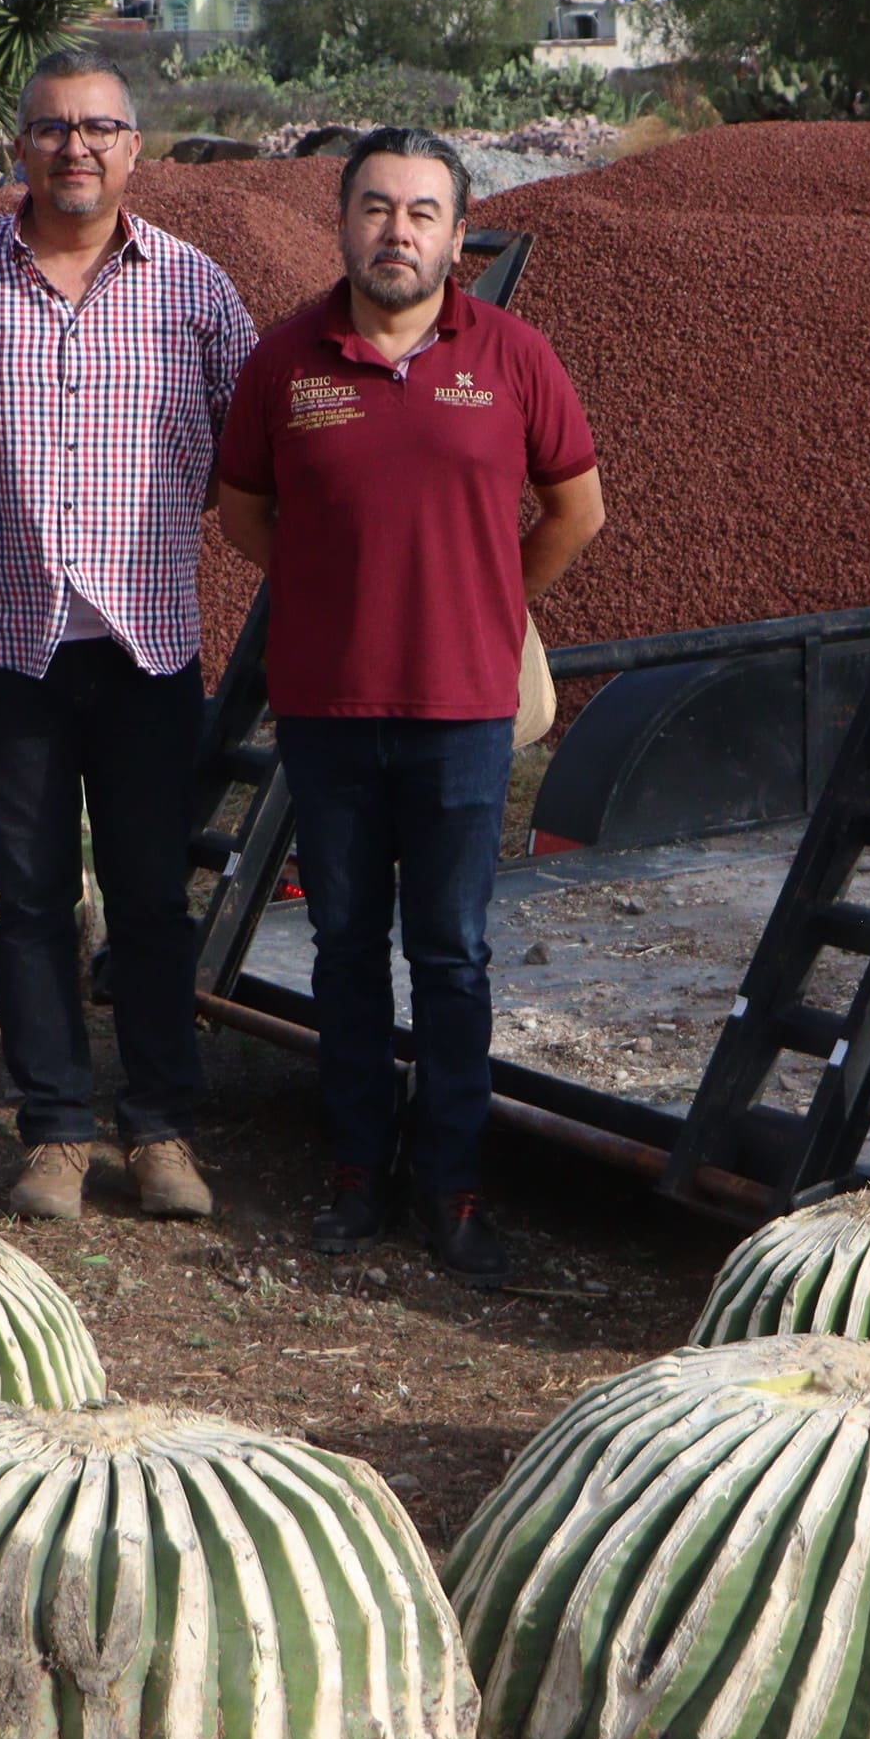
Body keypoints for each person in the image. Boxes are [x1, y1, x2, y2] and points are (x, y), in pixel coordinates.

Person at [211, 127, 605, 1286]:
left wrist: (490, 600)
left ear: (456, 232)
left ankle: (454, 1184)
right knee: (340, 949)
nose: (398, 230)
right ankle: (354, 1171)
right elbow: (245, 518)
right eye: (376, 207)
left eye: (422, 212)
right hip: (328, 709)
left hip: (463, 713)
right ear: (343, 223)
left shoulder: (514, 356)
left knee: (453, 953)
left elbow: (574, 510)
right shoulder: (286, 361)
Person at [0, 46, 255, 1225]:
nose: (75, 148)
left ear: (136, 148)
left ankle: (159, 1127)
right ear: (18, 145)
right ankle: (55, 1130)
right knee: (33, 895)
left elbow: (243, 457)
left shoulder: (196, 289)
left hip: (147, 641)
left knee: (150, 891)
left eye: (99, 128)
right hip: (6, 646)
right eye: (52, 127)